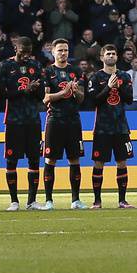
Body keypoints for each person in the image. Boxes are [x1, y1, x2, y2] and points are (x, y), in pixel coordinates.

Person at [0, 35, 43, 210]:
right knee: (11, 160)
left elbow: (40, 97)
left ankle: (31, 201)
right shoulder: (5, 66)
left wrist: (36, 90)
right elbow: (2, 95)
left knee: (34, 160)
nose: (26, 56)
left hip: (32, 119)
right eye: (23, 52)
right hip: (14, 120)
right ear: (16, 48)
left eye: (29, 53)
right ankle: (14, 201)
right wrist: (24, 90)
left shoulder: (36, 66)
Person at [86, 46, 135, 209]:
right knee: (99, 163)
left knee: (122, 162)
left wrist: (118, 86)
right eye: (108, 54)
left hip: (121, 127)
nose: (111, 56)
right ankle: (97, 201)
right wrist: (108, 87)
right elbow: (94, 101)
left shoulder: (125, 76)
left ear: (117, 57)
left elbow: (129, 99)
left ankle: (122, 200)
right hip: (102, 128)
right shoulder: (95, 77)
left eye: (114, 53)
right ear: (102, 57)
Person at [40, 38, 86, 210]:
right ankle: (49, 200)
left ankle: (75, 200)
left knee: (74, 159)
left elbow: (82, 98)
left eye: (66, 50)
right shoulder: (47, 71)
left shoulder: (75, 71)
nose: (63, 53)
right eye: (60, 50)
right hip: (55, 120)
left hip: (73, 120)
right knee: (50, 159)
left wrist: (75, 92)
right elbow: (46, 98)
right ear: (53, 52)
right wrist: (63, 92)